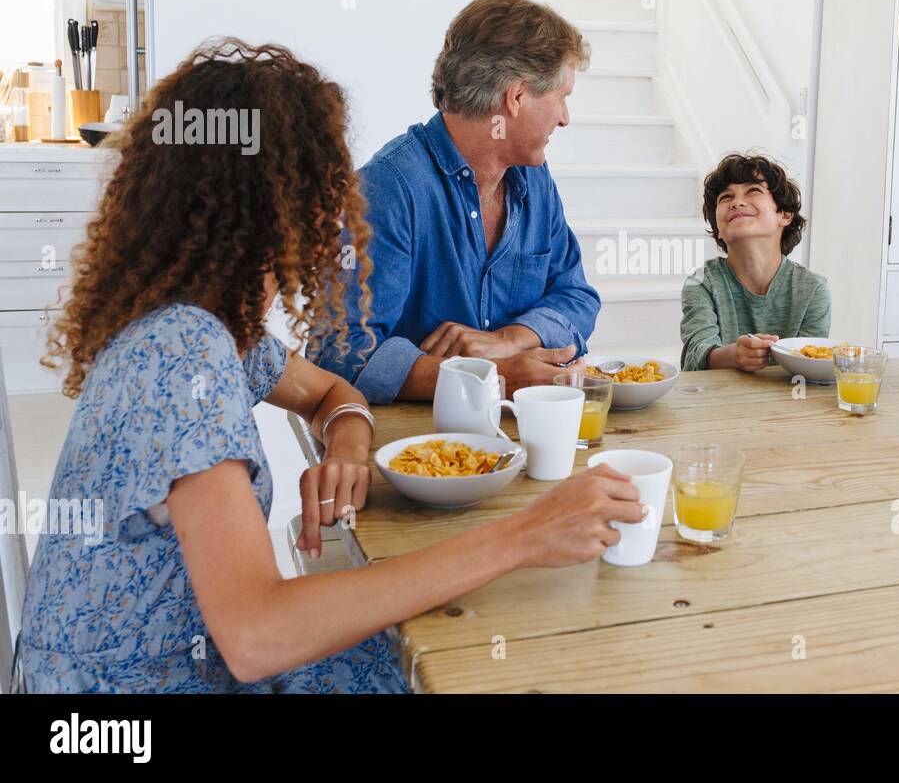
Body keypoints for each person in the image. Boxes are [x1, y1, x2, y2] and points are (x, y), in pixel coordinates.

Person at [16, 40, 645, 693]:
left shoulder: (210, 328)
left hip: (174, 665)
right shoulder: (182, 354)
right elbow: (257, 636)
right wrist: (522, 537)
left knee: (431, 642)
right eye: (330, 176)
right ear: (288, 201)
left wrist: (346, 440)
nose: (343, 201)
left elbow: (329, 393)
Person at [314, 0, 600, 404]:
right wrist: (489, 378)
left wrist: (509, 339)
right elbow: (338, 351)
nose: (565, 118)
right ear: (516, 97)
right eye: (561, 98)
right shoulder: (389, 188)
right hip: (417, 451)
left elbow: (576, 295)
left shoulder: (533, 179)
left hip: (523, 433)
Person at [680, 153, 831, 372]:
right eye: (725, 197)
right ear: (718, 230)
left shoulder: (813, 289)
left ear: (785, 215)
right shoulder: (701, 282)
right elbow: (694, 357)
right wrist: (733, 355)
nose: (736, 202)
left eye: (753, 191)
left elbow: (809, 368)